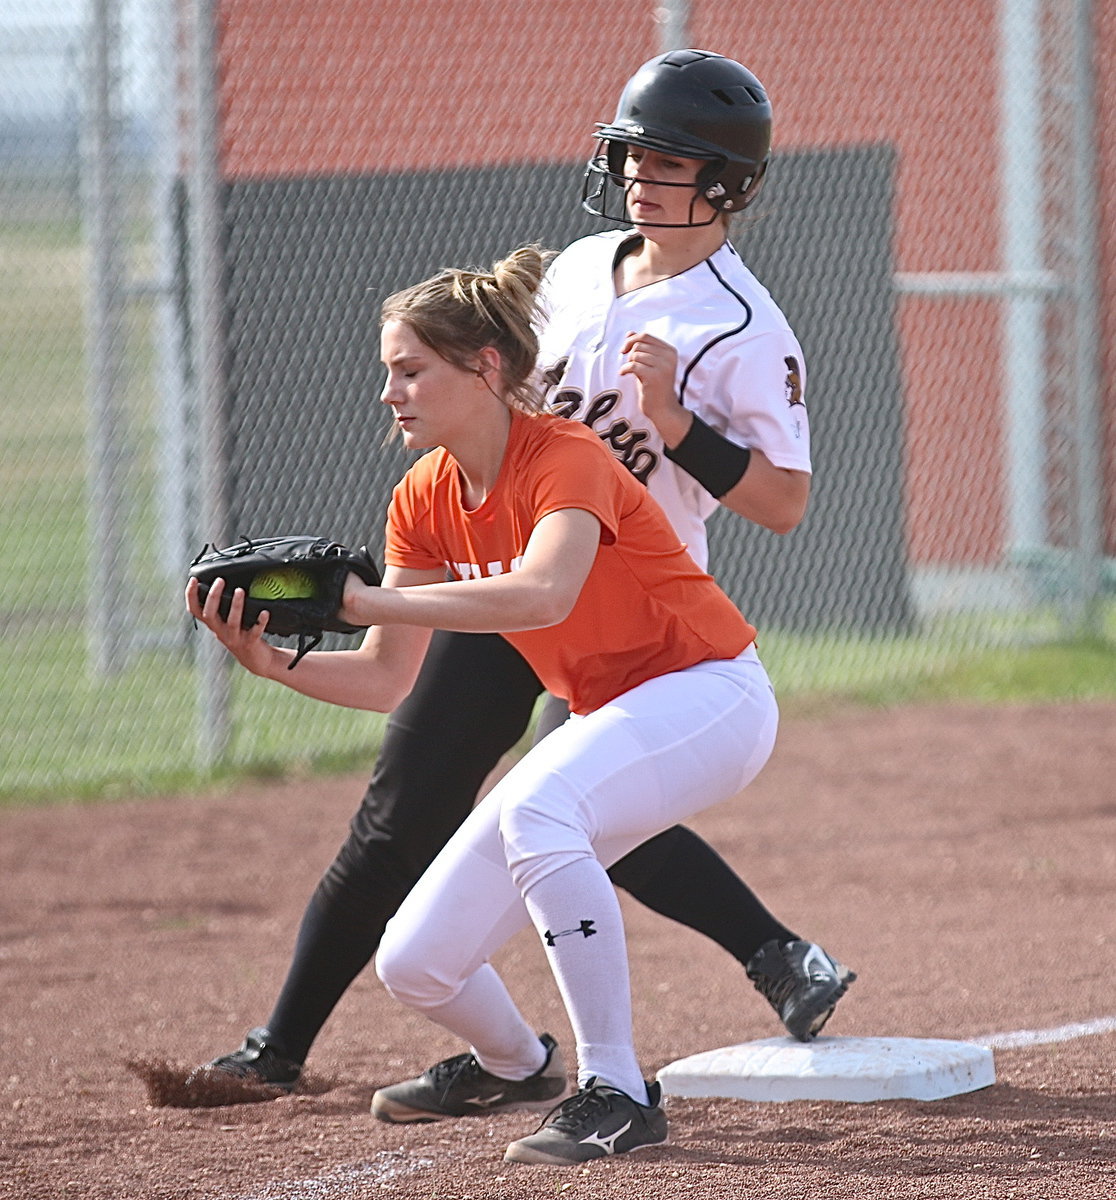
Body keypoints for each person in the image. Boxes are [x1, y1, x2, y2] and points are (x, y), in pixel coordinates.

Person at [190, 48, 853, 1097]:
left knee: (573, 814)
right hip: (501, 576)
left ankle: (730, 987)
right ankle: (279, 1049)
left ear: (726, 182)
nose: (639, 174)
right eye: (632, 151)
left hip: (622, 601)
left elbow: (784, 502)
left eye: (670, 159)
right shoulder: (581, 268)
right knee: (407, 806)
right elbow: (494, 408)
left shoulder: (741, 325)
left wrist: (676, 422)